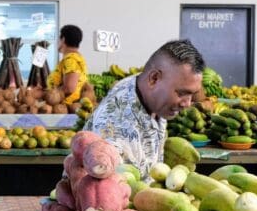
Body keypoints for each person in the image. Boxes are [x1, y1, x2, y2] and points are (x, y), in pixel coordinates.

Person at [84, 39, 205, 176]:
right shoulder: (116, 125)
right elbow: (109, 191)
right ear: (153, 78)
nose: (187, 104)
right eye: (181, 93)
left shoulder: (149, 91)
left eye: (191, 95)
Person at [47, 25, 88, 105]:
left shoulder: (71, 60)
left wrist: (46, 94)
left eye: (59, 39)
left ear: (63, 39)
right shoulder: (77, 57)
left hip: (65, 107)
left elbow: (69, 88)